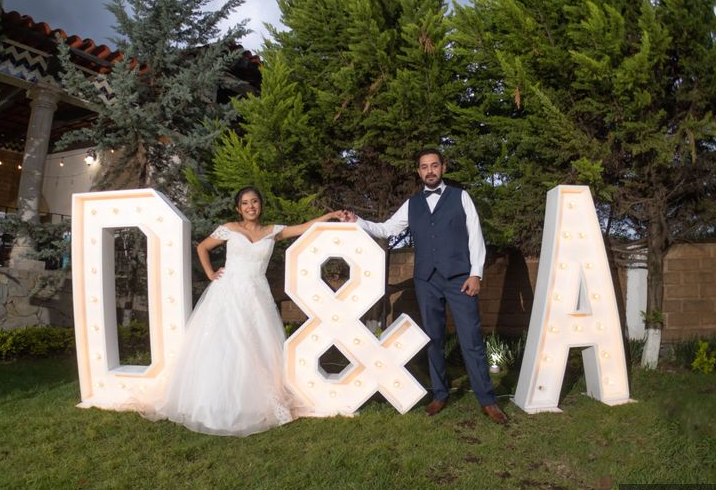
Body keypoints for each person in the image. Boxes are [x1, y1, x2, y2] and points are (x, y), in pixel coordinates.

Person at [151, 187, 343, 436]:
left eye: (254, 201)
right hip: (227, 293)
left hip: (256, 297)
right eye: (245, 203)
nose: (250, 206)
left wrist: (327, 217)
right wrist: (210, 273)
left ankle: (252, 402)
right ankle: (213, 403)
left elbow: (303, 227)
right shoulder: (230, 229)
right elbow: (203, 247)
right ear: (238, 208)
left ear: (260, 205)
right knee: (226, 347)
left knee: (255, 347)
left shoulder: (272, 232)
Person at [344, 149, 508, 424]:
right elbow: (386, 229)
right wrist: (357, 222)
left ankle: (487, 400)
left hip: (459, 278)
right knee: (433, 339)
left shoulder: (461, 197)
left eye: (434, 165)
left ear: (443, 167)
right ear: (419, 171)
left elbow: (476, 236)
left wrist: (475, 274)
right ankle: (440, 394)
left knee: (471, 339)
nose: (429, 170)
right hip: (426, 280)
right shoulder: (412, 204)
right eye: (424, 167)